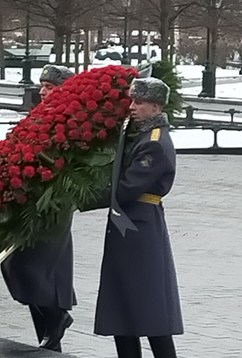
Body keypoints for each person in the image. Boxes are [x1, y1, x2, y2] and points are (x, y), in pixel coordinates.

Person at [94, 77, 183, 358]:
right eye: (132, 101)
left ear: (156, 107)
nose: (132, 107)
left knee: (151, 308)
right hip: (126, 225)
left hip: (141, 227)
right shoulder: (135, 134)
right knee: (123, 307)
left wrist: (80, 198)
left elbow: (128, 188)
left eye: (139, 102)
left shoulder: (155, 142)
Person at [1, 64, 76, 353]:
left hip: (53, 203)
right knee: (19, 266)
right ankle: (50, 332)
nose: (43, 91)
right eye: (42, 85)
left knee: (40, 268)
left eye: (50, 86)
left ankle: (55, 322)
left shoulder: (75, 121)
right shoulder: (37, 117)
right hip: (28, 200)